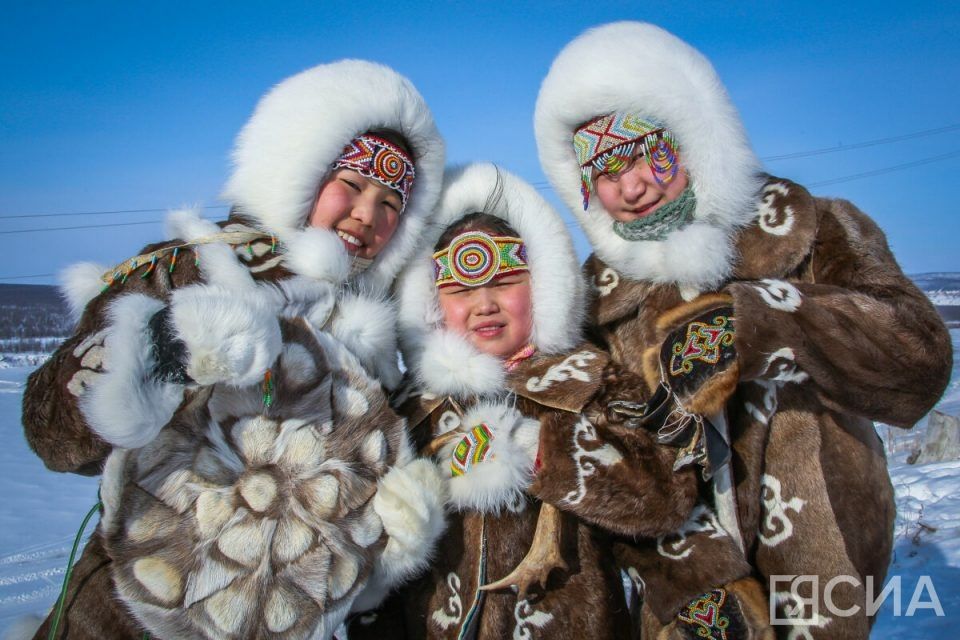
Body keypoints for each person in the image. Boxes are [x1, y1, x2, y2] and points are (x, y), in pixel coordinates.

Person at [534, 21, 952, 639]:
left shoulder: (810, 230)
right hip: (690, 607)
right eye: (604, 170)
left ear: (694, 136)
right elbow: (614, 470)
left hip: (829, 570)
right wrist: (692, 588)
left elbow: (920, 361)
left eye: (648, 152)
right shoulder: (595, 303)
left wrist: (762, 322)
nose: (632, 185)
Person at [22, 59, 447, 639]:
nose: (366, 215)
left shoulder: (372, 337)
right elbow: (51, 434)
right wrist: (161, 352)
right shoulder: (192, 267)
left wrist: (394, 532)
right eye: (350, 185)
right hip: (123, 614)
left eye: (391, 204)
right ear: (299, 169)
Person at [349, 163, 717, 639]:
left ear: (539, 285)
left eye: (504, 283)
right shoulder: (411, 413)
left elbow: (667, 498)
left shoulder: (592, 380)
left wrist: (542, 447)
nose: (485, 304)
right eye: (461, 290)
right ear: (434, 302)